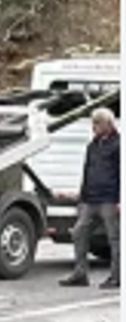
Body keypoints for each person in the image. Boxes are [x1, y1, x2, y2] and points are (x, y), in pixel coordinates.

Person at [59, 108, 120, 290]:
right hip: (91, 199)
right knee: (78, 232)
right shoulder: (92, 146)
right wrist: (82, 196)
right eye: (93, 123)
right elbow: (87, 172)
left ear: (108, 124)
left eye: (97, 123)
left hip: (110, 199)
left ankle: (117, 276)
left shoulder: (119, 145)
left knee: (115, 238)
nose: (94, 127)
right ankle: (80, 274)